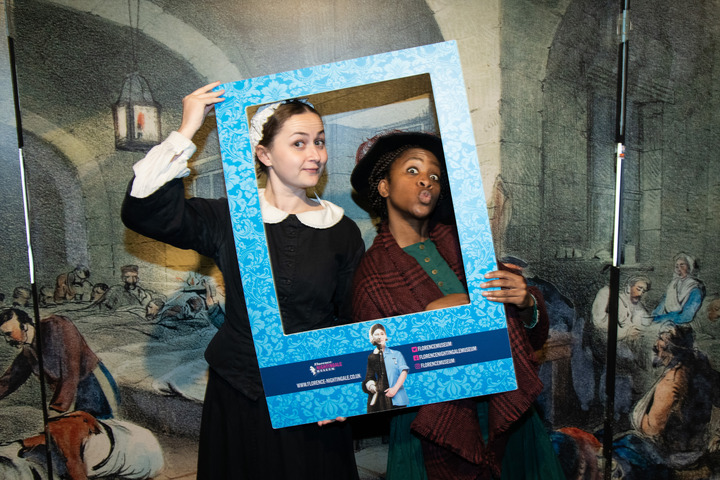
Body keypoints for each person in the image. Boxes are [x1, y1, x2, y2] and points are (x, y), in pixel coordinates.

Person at [120, 81, 364, 479]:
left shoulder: (341, 229)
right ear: (264, 153)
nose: (316, 154)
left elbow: (349, 318)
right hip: (239, 396)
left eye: (320, 141)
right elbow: (144, 211)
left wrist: (340, 387)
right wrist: (187, 130)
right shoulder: (228, 218)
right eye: (299, 143)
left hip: (310, 396)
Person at [350, 131, 564, 479]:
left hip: (506, 411)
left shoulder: (466, 243)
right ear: (384, 187)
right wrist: (428, 324)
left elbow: (530, 336)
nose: (427, 181)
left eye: (435, 176)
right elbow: (375, 383)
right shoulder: (370, 275)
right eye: (412, 170)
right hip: (434, 430)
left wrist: (526, 303)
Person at [613, 323, 720, 477]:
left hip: (673, 456)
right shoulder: (698, 365)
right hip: (695, 449)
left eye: (661, 339)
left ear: (672, 349)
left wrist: (641, 420)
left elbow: (652, 429)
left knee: (616, 449)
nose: (656, 344)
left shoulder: (671, 383)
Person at [0, 308, 119, 419]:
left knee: (104, 428)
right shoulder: (28, 351)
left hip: (92, 384)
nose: (7, 340)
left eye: (9, 334)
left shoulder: (57, 326)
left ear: (24, 326)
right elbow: (10, 379)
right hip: (66, 394)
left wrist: (58, 407)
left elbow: (70, 370)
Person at [363, 323, 409, 413]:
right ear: (372, 337)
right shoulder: (371, 357)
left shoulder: (396, 354)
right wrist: (372, 386)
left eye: (382, 334)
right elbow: (369, 376)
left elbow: (404, 372)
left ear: (385, 335)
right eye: (376, 334)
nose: (380, 337)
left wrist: (395, 389)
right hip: (379, 398)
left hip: (396, 395)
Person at [652, 252, 705, 324]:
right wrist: (654, 317)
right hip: (664, 322)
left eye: (682, 265)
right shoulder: (672, 286)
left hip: (682, 325)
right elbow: (661, 306)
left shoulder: (695, 289)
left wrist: (661, 318)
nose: (679, 269)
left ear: (689, 267)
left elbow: (687, 316)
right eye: (676, 266)